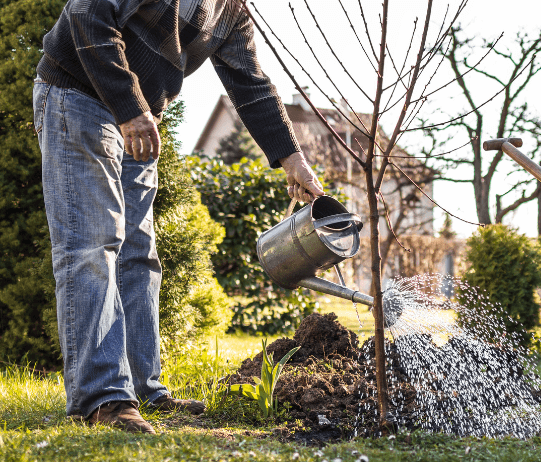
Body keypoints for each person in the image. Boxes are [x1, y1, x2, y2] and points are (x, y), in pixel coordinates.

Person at [33, 0, 324, 434]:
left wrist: (291, 159)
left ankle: (145, 390)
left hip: (140, 114)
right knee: (93, 245)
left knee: (138, 256)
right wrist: (131, 111)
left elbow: (252, 84)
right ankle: (103, 397)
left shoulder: (231, 11)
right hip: (79, 94)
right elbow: (86, 15)